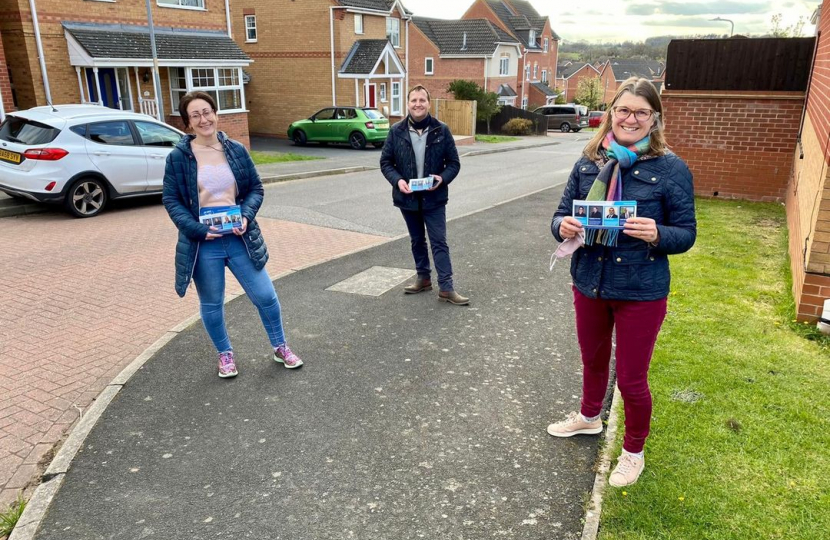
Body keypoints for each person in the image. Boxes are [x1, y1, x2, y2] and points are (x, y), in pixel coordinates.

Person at [547, 77, 696, 487]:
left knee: (631, 378)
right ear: (612, 113)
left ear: (655, 119)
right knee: (593, 361)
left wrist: (658, 234)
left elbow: (686, 232)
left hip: (641, 291)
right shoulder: (588, 162)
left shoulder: (671, 169)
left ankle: (633, 451)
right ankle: (589, 417)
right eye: (624, 110)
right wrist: (564, 226)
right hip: (589, 284)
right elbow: (558, 217)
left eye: (641, 112)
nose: (631, 118)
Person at [162, 91, 303, 378]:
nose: (203, 119)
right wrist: (199, 230)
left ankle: (280, 346)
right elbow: (171, 200)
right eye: (195, 115)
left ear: (216, 114)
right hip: (205, 244)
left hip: (240, 237)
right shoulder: (178, 157)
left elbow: (255, 189)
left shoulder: (236, 149)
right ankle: (225, 354)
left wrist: (247, 216)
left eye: (207, 112)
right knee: (212, 303)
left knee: (266, 295)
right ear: (188, 123)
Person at [380, 85, 468, 305]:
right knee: (417, 240)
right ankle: (423, 278)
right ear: (408, 104)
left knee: (439, 241)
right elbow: (385, 162)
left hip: (434, 198)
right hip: (407, 198)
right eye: (413, 101)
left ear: (429, 103)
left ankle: (446, 288)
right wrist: (398, 181)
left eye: (422, 100)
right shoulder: (396, 131)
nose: (417, 104)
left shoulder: (441, 130)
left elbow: (454, 163)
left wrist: (442, 178)